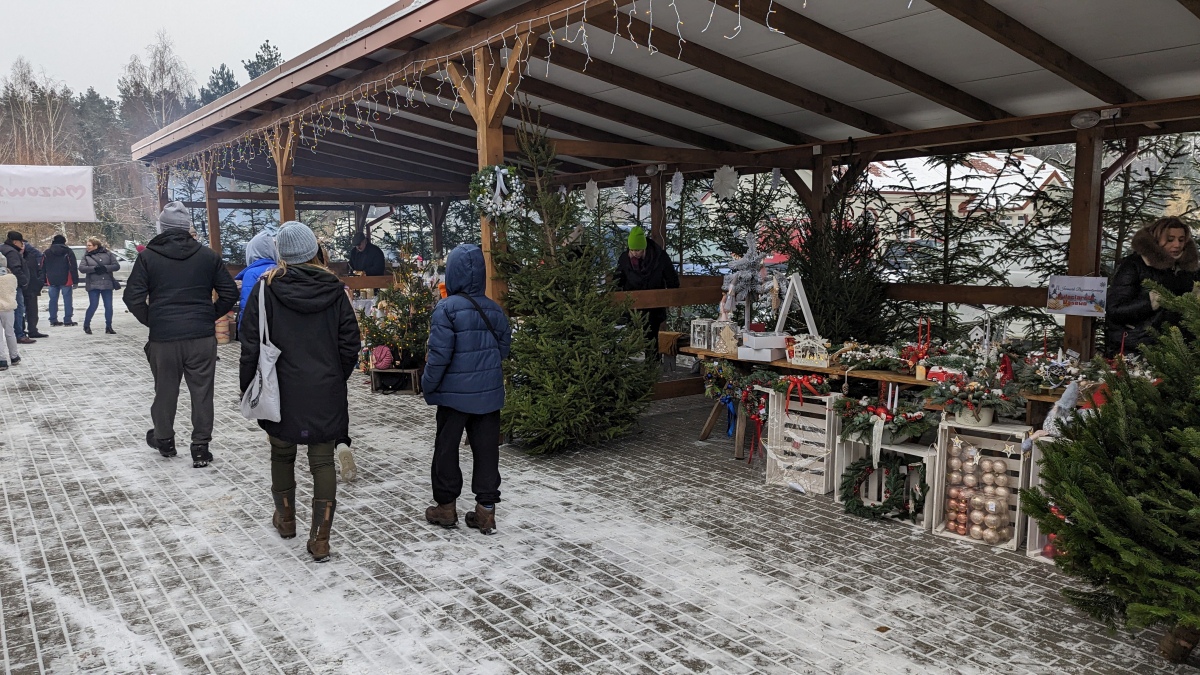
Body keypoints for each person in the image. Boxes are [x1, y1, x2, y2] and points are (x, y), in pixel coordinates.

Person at [239, 222, 360, 562]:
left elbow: (250, 344)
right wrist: (337, 376)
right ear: (313, 251)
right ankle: (321, 538)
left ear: (283, 255)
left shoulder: (265, 290)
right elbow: (351, 343)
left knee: (281, 454)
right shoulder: (336, 290)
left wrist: (249, 386)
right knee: (322, 461)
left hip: (280, 389)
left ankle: (286, 519)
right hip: (325, 389)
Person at [123, 201, 238, 467]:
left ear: (162, 227)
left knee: (165, 390)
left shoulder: (148, 257)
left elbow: (133, 297)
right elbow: (230, 293)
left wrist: (153, 320)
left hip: (164, 337)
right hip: (200, 337)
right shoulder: (208, 256)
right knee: (202, 392)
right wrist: (208, 315)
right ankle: (200, 447)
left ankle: (164, 440)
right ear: (187, 227)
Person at [422, 243, 511, 535]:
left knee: (446, 451)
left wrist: (428, 385)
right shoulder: (494, 310)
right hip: (488, 397)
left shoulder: (446, 309)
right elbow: (503, 350)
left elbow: (439, 356)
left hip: (453, 397)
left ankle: (446, 508)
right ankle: (486, 512)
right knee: (487, 453)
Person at [1106, 216, 1200, 355]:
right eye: (1170, 239)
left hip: (1180, 353)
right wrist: (1149, 303)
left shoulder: (1190, 270)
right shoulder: (1134, 266)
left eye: (1181, 240)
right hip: (1137, 349)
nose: (1177, 245)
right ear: (1156, 239)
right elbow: (1114, 310)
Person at [614, 226, 680, 358]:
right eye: (632, 250)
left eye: (637, 250)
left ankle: (653, 367)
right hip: (632, 308)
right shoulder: (625, 259)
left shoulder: (660, 257)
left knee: (652, 340)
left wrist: (672, 298)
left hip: (654, 308)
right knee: (632, 340)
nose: (634, 253)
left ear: (644, 247)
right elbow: (618, 280)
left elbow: (671, 279)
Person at [235, 226, 279, 328]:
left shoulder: (251, 274)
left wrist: (241, 329)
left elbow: (246, 307)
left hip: (259, 329)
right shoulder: (279, 270)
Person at [78, 237, 122, 335]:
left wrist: (105, 268)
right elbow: (81, 268)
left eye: (89, 245)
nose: (87, 247)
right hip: (93, 284)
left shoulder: (108, 254)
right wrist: (95, 268)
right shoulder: (87, 256)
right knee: (93, 305)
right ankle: (86, 325)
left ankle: (109, 326)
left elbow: (116, 266)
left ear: (95, 246)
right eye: (87, 245)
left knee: (109, 306)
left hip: (106, 283)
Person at [0, 231, 33, 345]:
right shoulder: (12, 252)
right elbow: (16, 269)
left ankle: (17, 333)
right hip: (14, 285)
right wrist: (24, 282)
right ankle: (19, 335)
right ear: (15, 242)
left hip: (6, 285)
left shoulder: (3, 249)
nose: (22, 245)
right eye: (21, 242)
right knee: (18, 309)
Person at [43, 235, 79, 327]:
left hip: (51, 279)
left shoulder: (47, 252)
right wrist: (75, 280)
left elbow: (42, 266)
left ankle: (53, 319)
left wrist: (43, 280)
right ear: (64, 242)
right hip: (66, 278)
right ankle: (67, 320)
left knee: (53, 300)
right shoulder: (68, 251)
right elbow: (73, 266)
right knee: (67, 300)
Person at [21, 240, 47, 338]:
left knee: (33, 311)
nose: (22, 247)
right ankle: (21, 331)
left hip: (32, 287)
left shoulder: (31, 256)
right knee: (20, 311)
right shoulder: (13, 256)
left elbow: (39, 269)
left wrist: (39, 281)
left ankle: (33, 330)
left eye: (23, 245)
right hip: (20, 287)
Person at [0, 267, 19, 369]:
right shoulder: (12, 279)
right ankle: (14, 356)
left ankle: (1, 360)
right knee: (10, 333)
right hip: (8, 308)